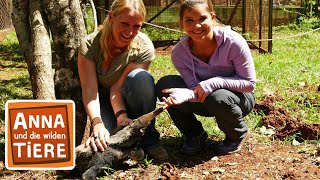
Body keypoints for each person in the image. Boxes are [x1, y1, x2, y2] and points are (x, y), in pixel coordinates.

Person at [156, 0, 256, 156]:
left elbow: (249, 84)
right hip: (205, 99)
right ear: (181, 22)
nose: (197, 26)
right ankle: (195, 134)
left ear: (212, 17)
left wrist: (215, 83)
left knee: (218, 96)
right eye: (189, 20)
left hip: (239, 98)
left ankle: (237, 134)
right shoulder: (179, 54)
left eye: (202, 19)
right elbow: (194, 86)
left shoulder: (233, 42)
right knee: (165, 85)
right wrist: (187, 94)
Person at [78, 0, 168, 162]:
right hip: (100, 99)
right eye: (125, 23)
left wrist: (121, 114)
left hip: (127, 94)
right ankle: (132, 146)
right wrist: (97, 123)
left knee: (141, 78)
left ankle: (149, 139)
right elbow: (90, 90)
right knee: (107, 140)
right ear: (111, 17)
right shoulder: (90, 45)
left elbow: (117, 88)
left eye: (136, 26)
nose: (130, 32)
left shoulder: (144, 46)